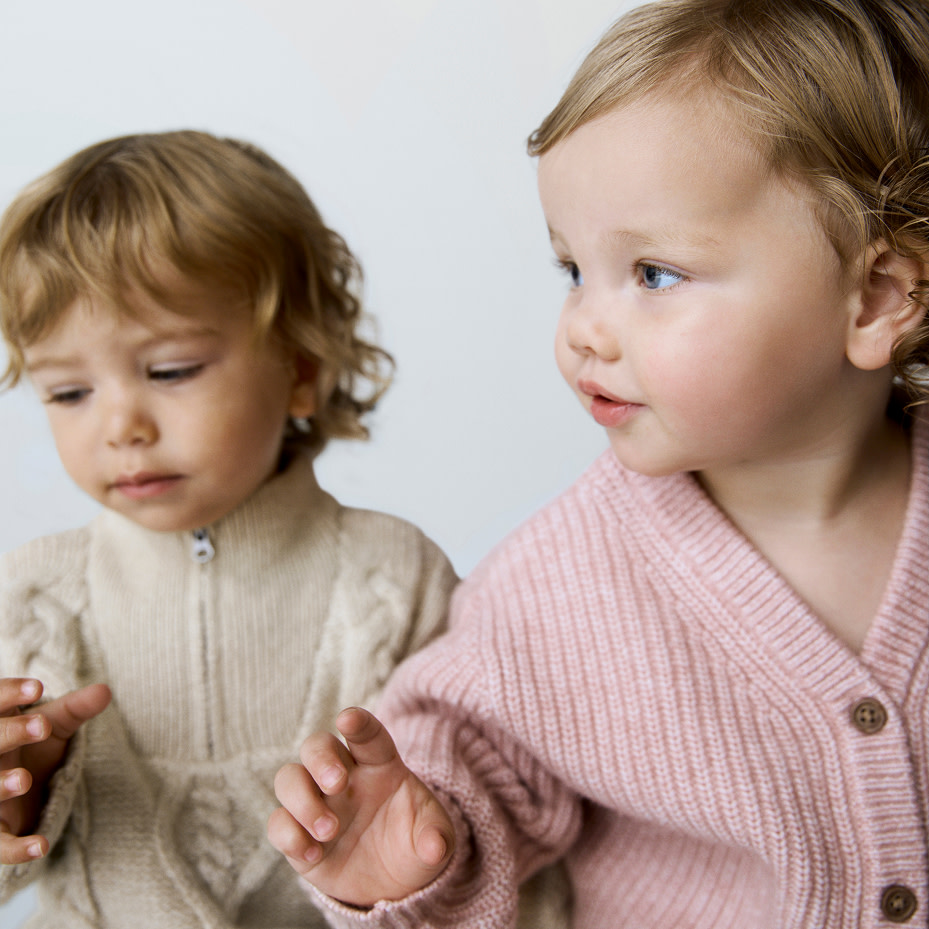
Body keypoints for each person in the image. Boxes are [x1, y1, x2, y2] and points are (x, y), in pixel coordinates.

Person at [267, 0, 929, 926]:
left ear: (875, 298)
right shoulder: (563, 580)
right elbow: (472, 753)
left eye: (652, 274)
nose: (582, 327)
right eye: (570, 269)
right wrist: (415, 841)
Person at [0, 130, 461, 928]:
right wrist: (18, 804)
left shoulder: (396, 576)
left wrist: (416, 863)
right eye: (67, 392)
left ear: (302, 369)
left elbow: (483, 848)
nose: (120, 425)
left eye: (170, 370)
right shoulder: (32, 592)